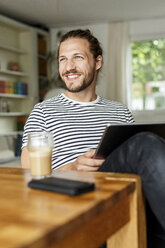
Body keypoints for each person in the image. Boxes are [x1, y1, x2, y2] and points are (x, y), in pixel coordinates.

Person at [21, 29, 165, 247]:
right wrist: (73, 168)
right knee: (145, 144)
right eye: (62, 59)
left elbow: (141, 162)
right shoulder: (43, 111)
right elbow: (26, 173)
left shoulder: (120, 111)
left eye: (78, 57)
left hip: (120, 196)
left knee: (147, 144)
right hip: (71, 199)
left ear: (98, 62)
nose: (69, 67)